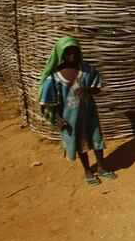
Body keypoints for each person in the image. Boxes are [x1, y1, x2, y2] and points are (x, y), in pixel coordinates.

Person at [39, 36, 116, 186]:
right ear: (61, 54)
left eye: (75, 52)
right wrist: (57, 116)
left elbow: (97, 88)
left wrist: (88, 90)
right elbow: (52, 101)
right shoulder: (54, 77)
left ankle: (101, 167)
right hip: (70, 117)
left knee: (96, 138)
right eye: (68, 53)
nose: (72, 55)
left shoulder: (87, 70)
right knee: (80, 142)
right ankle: (87, 170)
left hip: (89, 113)